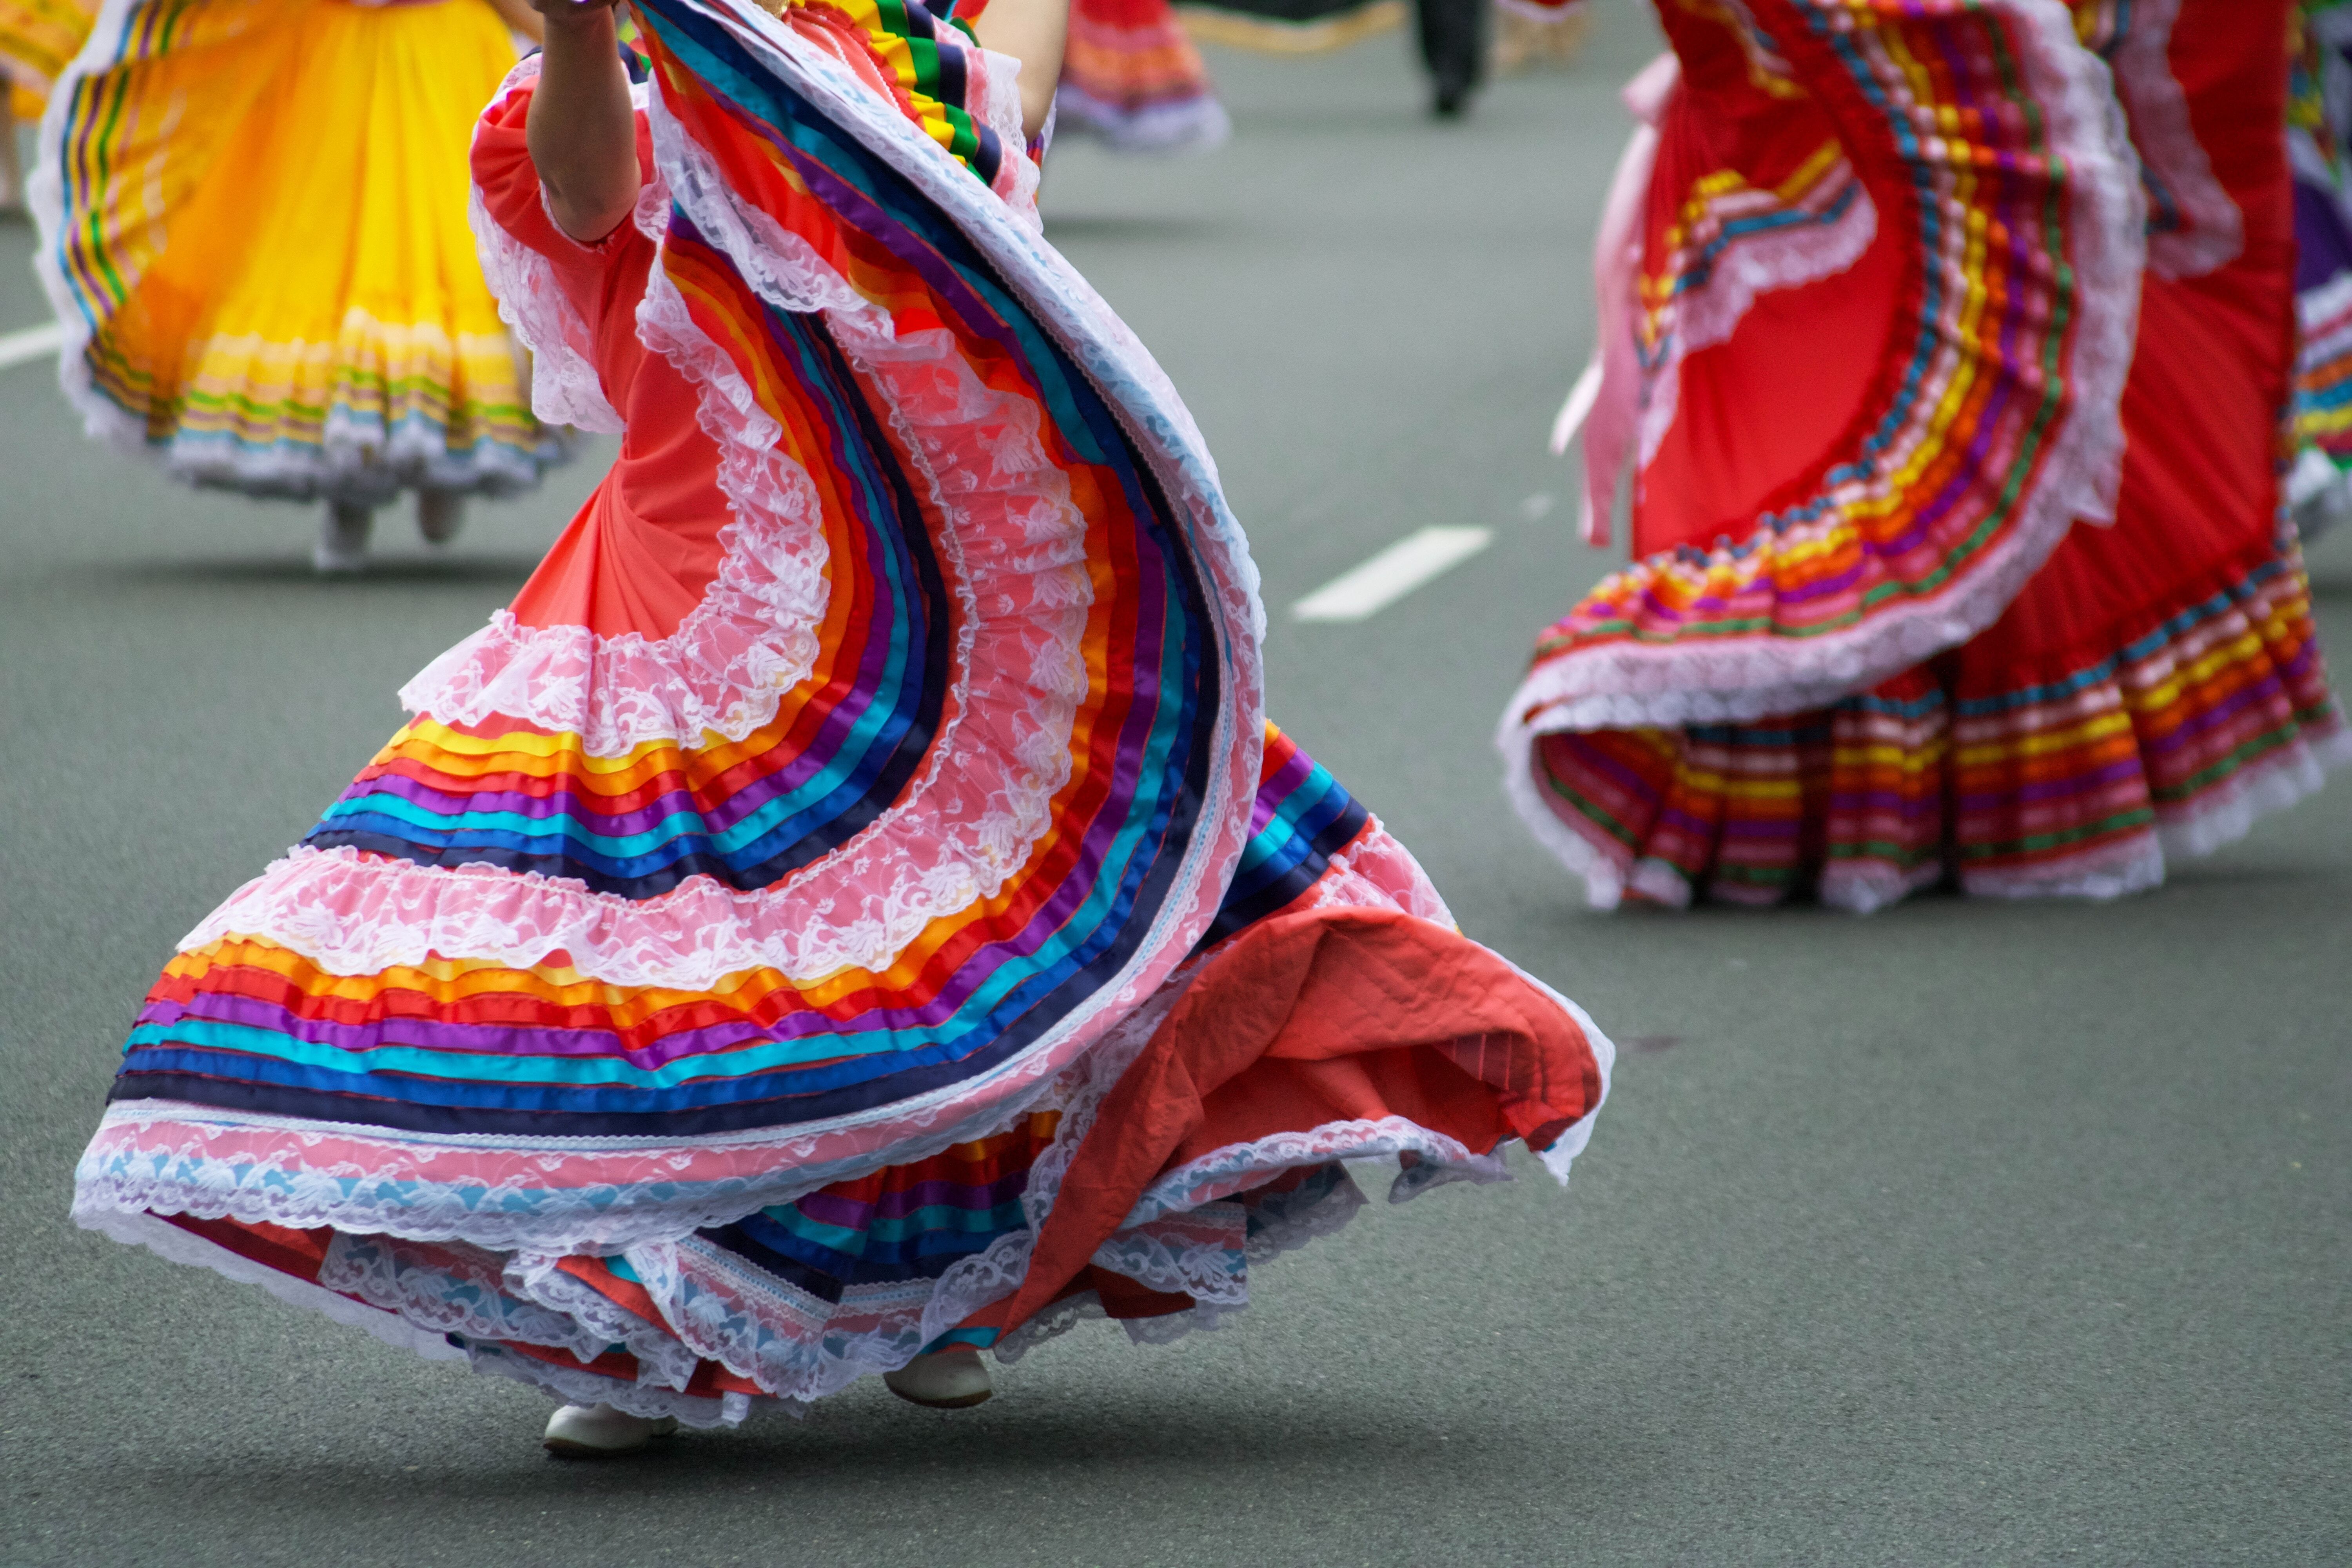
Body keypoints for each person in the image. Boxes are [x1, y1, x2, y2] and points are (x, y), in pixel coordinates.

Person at [70, 0, 1612, 1455]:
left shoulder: (915, 66)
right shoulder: (638, 74)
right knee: (682, 967)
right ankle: (650, 1317)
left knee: (944, 940)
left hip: (923, 592)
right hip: (693, 587)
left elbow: (1001, 162)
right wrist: (587, 25)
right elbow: (592, 196)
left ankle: (929, 1282)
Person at [1508, 0, 2347, 912]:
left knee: (1915, 428)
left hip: (1813, 124)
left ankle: (1860, 787)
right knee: (1848, 432)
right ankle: (1895, 781)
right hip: (1782, 127)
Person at [31, 0, 566, 571]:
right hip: (338, 64)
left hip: (446, 57)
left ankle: (447, 466)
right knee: (330, 255)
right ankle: (348, 495)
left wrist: (572, 36)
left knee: (455, 248)